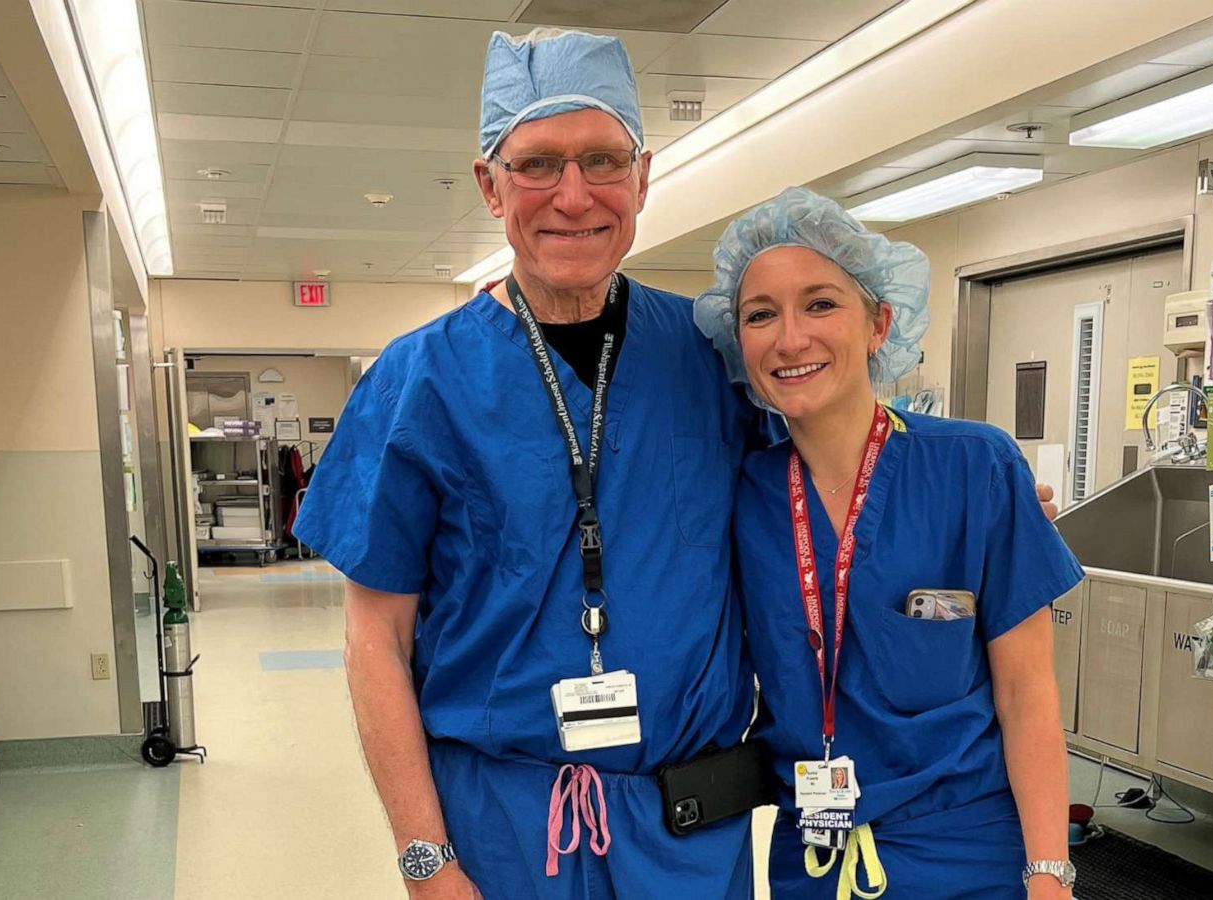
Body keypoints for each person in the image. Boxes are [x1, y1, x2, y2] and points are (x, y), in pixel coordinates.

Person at [293, 28, 760, 900]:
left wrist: (967, 498)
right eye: (539, 164)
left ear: (644, 176)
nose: (573, 196)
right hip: (504, 836)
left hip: (691, 836)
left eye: (602, 161)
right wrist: (426, 861)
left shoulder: (711, 356)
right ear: (489, 184)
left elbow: (827, 487)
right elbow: (375, 638)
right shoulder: (419, 379)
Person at [694, 188, 1083, 900]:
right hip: (809, 851)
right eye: (760, 315)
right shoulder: (741, 493)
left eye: (820, 303)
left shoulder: (975, 467)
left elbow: (1029, 694)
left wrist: (1049, 873)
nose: (790, 338)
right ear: (736, 341)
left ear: (879, 323)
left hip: (965, 852)